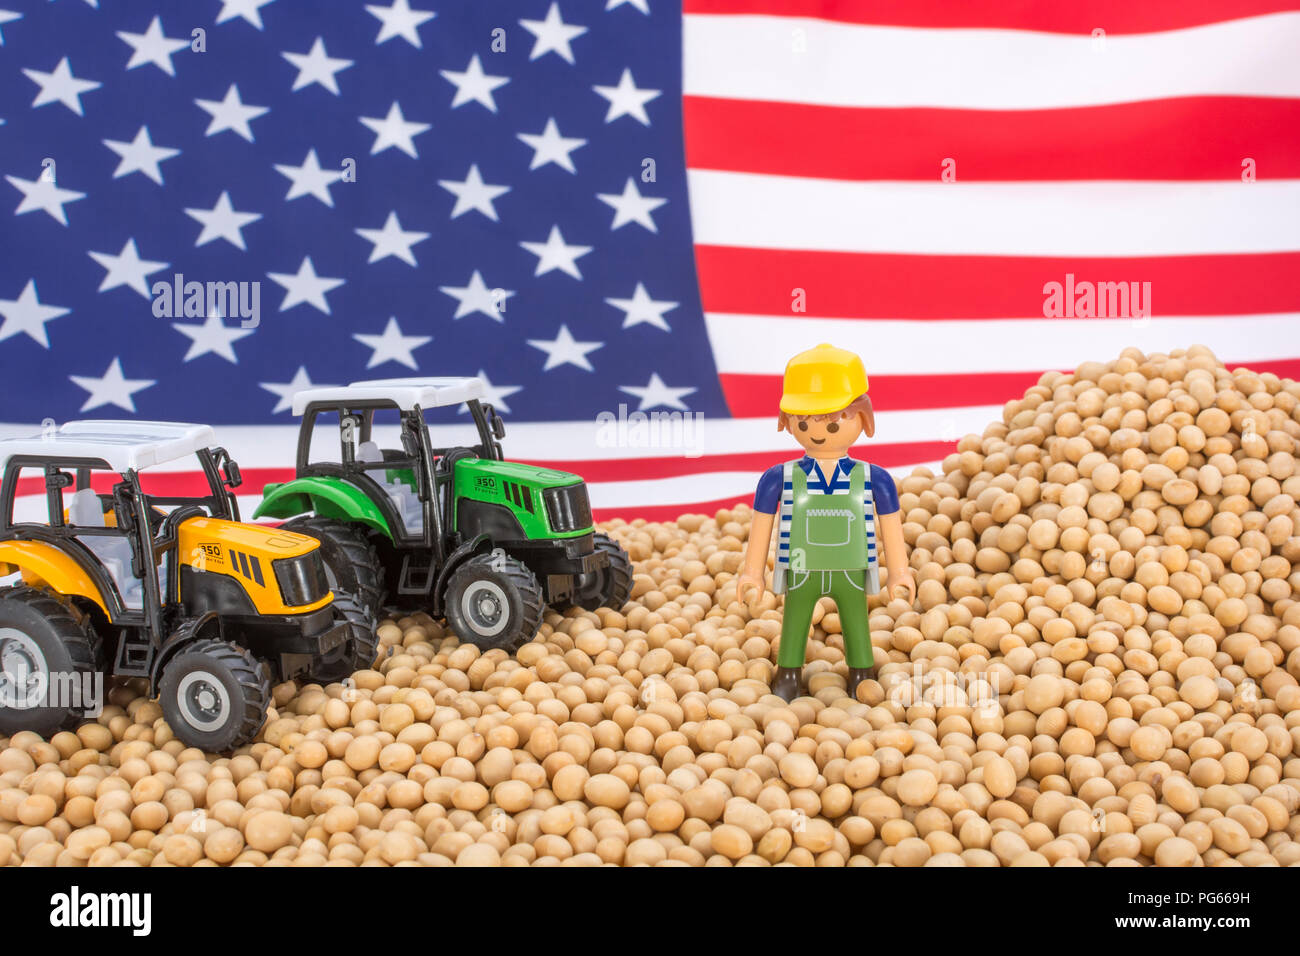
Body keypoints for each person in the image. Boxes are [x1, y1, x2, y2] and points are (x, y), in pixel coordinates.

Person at [737, 343, 916, 702]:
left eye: (833, 421)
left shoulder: (874, 479)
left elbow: (891, 526)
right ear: (787, 421)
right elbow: (762, 526)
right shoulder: (778, 478)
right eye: (803, 422)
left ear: (862, 417)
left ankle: (861, 672)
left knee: (856, 622)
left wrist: (899, 572)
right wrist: (751, 573)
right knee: (795, 620)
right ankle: (788, 673)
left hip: (851, 566)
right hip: (801, 566)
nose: (817, 432)